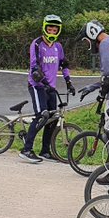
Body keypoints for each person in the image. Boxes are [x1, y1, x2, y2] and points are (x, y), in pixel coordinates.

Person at [20, 14, 74, 163]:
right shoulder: (37, 44)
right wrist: (44, 83)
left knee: (52, 119)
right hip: (37, 86)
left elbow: (64, 64)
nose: (51, 32)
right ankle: (26, 149)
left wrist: (69, 82)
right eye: (49, 29)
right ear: (44, 28)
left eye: (54, 30)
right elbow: (34, 68)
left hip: (51, 88)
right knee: (42, 115)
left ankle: (45, 151)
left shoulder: (58, 47)